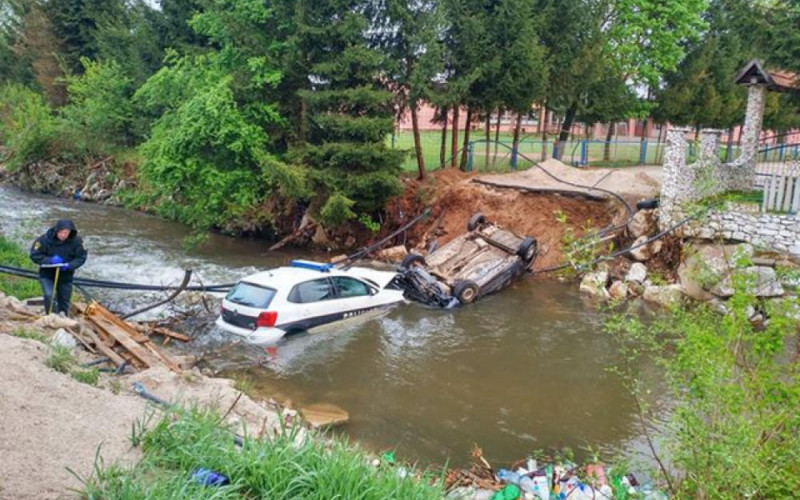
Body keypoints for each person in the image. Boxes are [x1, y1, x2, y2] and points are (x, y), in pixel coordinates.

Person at [29, 219, 88, 316]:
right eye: (61, 232)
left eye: (66, 233)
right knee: (49, 295)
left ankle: (63, 318)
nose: (63, 235)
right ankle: (51, 317)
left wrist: (70, 265)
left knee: (64, 300)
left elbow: (81, 258)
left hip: (65, 275)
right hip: (47, 274)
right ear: (57, 231)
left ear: (70, 232)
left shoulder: (76, 241)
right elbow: (34, 255)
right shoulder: (43, 240)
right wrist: (50, 260)